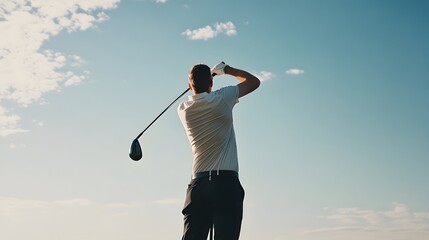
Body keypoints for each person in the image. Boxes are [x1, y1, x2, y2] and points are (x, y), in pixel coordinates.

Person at [177, 62, 260, 240]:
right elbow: (253, 82)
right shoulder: (222, 98)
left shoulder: (183, 109)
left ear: (190, 85)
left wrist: (199, 84)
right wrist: (225, 70)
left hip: (198, 186)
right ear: (211, 83)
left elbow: (199, 92)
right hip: (225, 184)